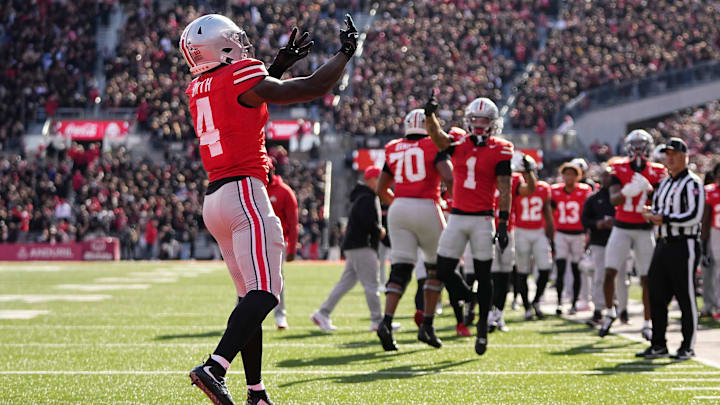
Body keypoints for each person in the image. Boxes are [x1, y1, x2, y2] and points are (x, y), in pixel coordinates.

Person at [182, 14, 358, 405]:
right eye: (235, 41)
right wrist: (345, 54)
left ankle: (256, 391)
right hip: (245, 192)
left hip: (215, 199)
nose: (243, 46)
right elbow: (310, 87)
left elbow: (243, 103)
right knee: (266, 293)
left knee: (250, 300)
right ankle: (214, 367)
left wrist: (276, 67)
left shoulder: (197, 86)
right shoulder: (238, 74)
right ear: (222, 47)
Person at [425, 93, 514, 356]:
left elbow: (505, 189)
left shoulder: (501, 148)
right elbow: (438, 139)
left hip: (483, 218)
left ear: (493, 123)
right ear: (468, 120)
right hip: (458, 215)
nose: (479, 125)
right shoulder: (458, 142)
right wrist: (430, 116)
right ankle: (468, 297)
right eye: (475, 119)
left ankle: (483, 331)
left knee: (485, 275)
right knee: (442, 269)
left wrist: (503, 223)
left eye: (484, 120)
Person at [374, 108, 454, 351]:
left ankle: (386, 322)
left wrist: (399, 203)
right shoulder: (433, 144)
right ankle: (427, 324)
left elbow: (380, 188)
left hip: (399, 208)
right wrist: (450, 199)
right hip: (427, 205)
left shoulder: (394, 147)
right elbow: (449, 178)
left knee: (400, 269)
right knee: (435, 268)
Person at [637, 137, 705, 360]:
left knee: (685, 296)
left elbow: (694, 215)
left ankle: (687, 345)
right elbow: (659, 210)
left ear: (684, 156)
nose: (670, 158)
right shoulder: (665, 183)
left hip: (684, 244)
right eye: (667, 154)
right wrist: (651, 214)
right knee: (656, 294)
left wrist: (664, 218)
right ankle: (658, 344)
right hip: (662, 243)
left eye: (674, 153)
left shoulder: (693, 182)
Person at [599, 130, 667, 340]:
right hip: (621, 226)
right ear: (628, 146)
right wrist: (629, 190)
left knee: (647, 277)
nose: (638, 149)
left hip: (645, 228)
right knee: (610, 271)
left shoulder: (658, 170)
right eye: (634, 144)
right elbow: (614, 200)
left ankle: (647, 322)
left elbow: (663, 200)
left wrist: (652, 192)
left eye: (641, 144)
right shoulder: (618, 167)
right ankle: (610, 312)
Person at [311, 166, 386, 332]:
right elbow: (369, 223)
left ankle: (323, 313)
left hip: (354, 245)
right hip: (362, 245)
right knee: (371, 285)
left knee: (346, 283)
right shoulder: (368, 197)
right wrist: (380, 231)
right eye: (379, 179)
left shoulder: (362, 196)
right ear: (371, 180)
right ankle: (378, 321)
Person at [487, 154, 536, 331]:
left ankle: (498, 313)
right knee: (488, 276)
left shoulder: (513, 179)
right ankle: (487, 313)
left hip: (507, 230)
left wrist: (528, 171)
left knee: (504, 275)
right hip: (485, 229)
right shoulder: (484, 175)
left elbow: (529, 189)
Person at [581, 167, 629, 326]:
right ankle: (599, 310)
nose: (607, 179)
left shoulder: (622, 196)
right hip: (600, 241)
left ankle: (623, 309)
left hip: (621, 239)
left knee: (622, 277)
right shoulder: (594, 198)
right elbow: (584, 220)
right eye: (604, 176)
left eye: (610, 176)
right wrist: (598, 224)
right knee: (600, 276)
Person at [513, 158, 554, 320]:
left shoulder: (543, 188)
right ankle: (527, 307)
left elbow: (547, 213)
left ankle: (536, 301)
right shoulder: (515, 186)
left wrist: (551, 236)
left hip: (538, 231)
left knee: (545, 267)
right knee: (522, 271)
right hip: (520, 230)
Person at [550, 161, 593, 315]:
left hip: (578, 233)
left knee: (576, 269)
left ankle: (574, 302)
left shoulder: (585, 190)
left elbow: (588, 213)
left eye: (572, 174)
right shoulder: (555, 191)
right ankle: (560, 302)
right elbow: (550, 211)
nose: (569, 177)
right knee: (560, 268)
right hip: (561, 232)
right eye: (566, 174)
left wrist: (588, 232)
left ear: (578, 176)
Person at [267, 160, 298, 329]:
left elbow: (293, 223)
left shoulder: (285, 192)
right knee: (247, 279)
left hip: (277, 242)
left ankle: (280, 315)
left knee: (277, 280)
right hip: (256, 240)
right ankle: (240, 314)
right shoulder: (254, 189)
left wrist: (292, 248)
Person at [700, 163, 720, 320]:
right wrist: (704, 242)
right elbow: (705, 219)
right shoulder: (709, 191)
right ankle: (709, 305)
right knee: (709, 273)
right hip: (714, 233)